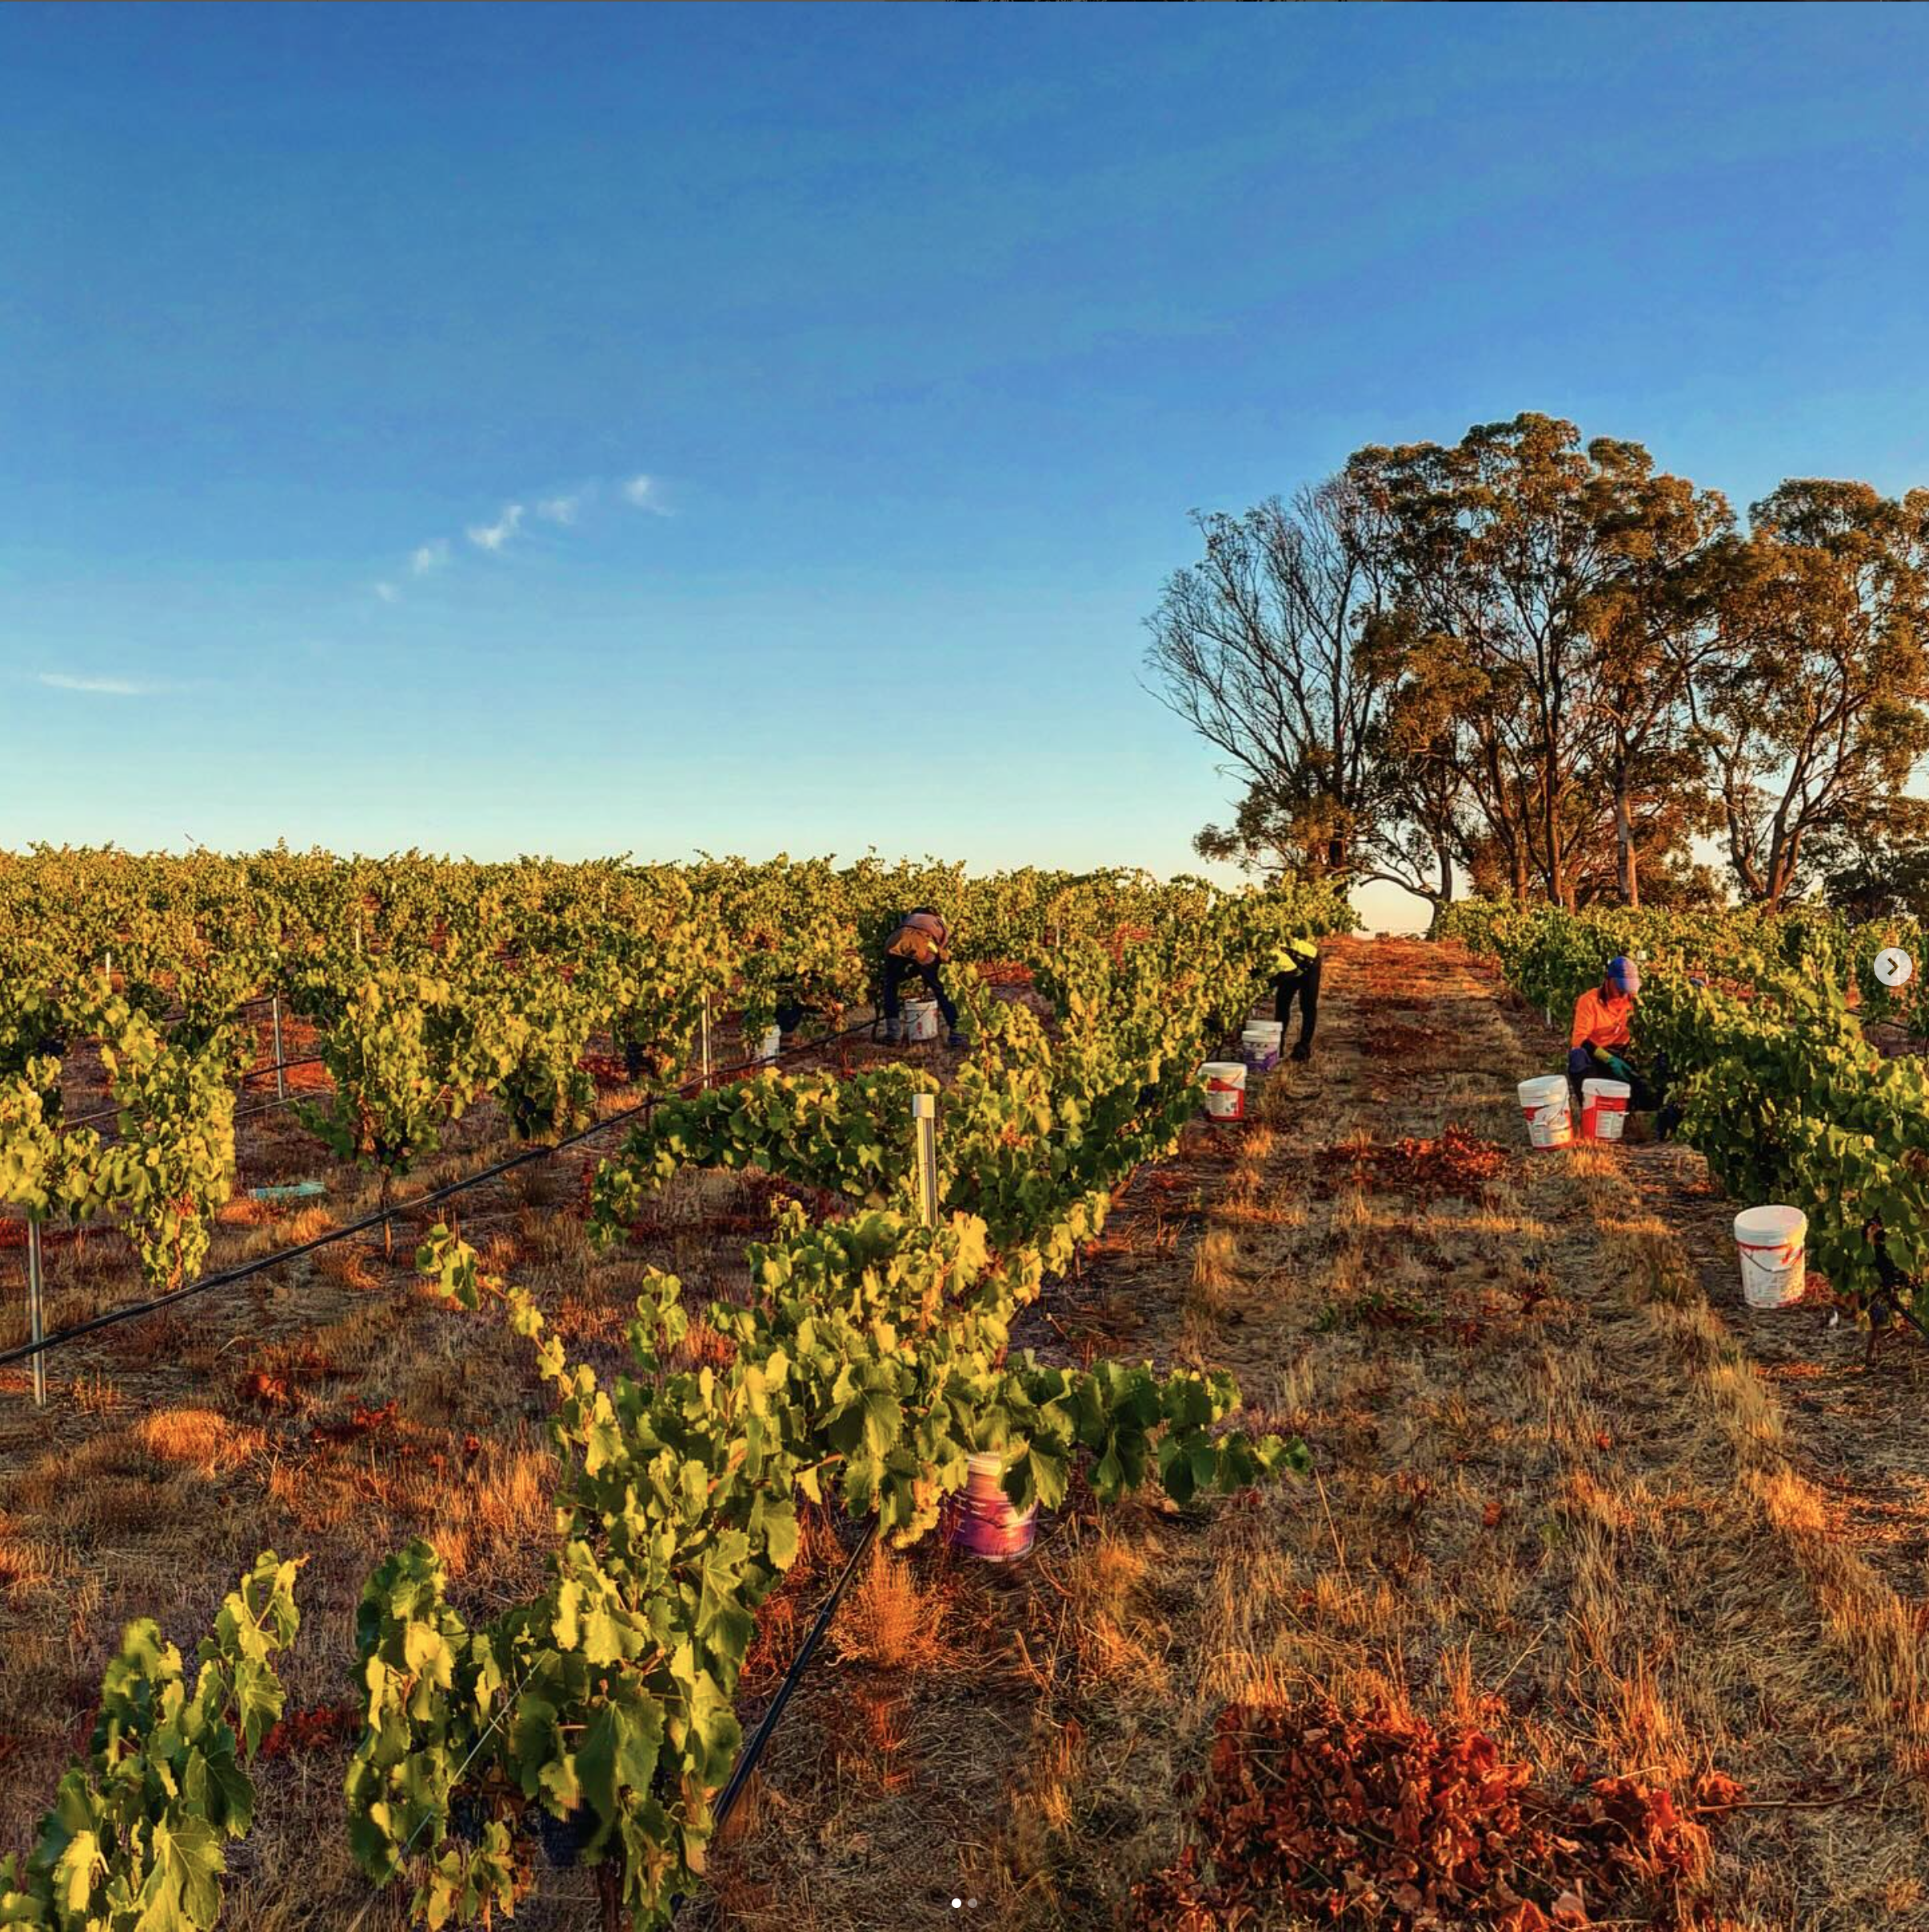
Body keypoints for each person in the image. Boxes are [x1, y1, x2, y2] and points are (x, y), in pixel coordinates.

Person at [1568, 954, 1679, 1136]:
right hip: (1597, 1056)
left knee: (1657, 1071)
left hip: (1624, 1055)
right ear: (1608, 981)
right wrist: (1609, 1059)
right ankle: (1590, 1111)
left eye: (1627, 989)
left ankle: (1644, 1113)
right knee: (1577, 1058)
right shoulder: (1589, 1001)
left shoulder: (1635, 1001)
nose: (1623, 994)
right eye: (1620, 988)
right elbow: (1579, 1041)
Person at [880, 908, 966, 1048]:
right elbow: (941, 949)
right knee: (940, 988)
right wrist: (930, 974)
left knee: (890, 985)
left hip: (895, 940)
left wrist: (913, 972)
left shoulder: (909, 918)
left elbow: (908, 946)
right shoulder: (938, 922)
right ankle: (957, 1033)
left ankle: (893, 1034)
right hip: (924, 943)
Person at [1272, 936, 1321, 1062]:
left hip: (1310, 963)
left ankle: (1304, 1048)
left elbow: (1290, 972)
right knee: (1282, 1004)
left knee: (1307, 1005)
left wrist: (1269, 984)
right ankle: (1278, 1047)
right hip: (1291, 966)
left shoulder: (1273, 953)